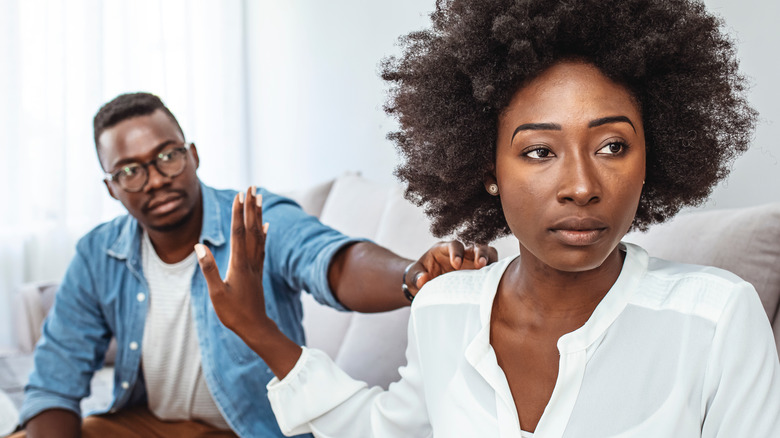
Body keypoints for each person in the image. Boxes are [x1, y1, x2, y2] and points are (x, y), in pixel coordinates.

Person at [197, 0, 780, 436]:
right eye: (538, 152)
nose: (581, 186)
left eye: (611, 147)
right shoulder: (445, 308)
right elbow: (382, 431)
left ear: (652, 156)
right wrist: (259, 331)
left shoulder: (716, 319)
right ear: (487, 166)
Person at [12, 92, 497, 438]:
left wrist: (413, 276)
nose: (155, 180)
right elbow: (54, 381)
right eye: (131, 171)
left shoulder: (255, 217)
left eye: (167, 156)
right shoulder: (99, 253)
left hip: (252, 430)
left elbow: (333, 263)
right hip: (148, 424)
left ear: (193, 155)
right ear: (112, 188)